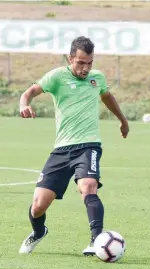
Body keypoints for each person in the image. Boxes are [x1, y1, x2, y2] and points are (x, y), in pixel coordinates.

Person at [18, 36, 129, 256]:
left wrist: (123, 120)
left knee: (88, 186)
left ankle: (97, 240)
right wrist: (24, 104)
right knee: (38, 205)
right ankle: (39, 232)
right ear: (71, 58)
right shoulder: (56, 76)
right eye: (81, 62)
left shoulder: (97, 78)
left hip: (89, 145)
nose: (86, 68)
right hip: (61, 149)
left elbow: (107, 97)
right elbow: (29, 92)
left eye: (90, 62)